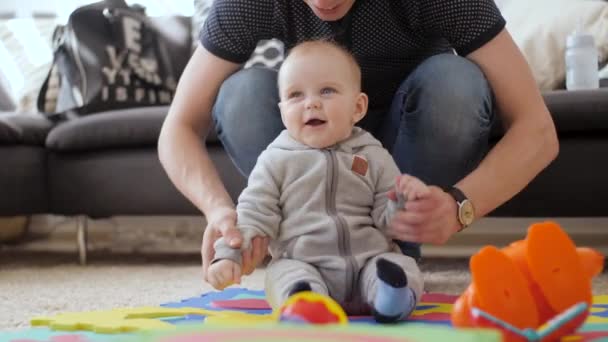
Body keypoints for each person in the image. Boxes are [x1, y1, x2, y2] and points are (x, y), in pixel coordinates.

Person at [158, 0, 559, 281]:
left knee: (456, 84)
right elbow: (178, 128)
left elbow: (537, 131)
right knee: (240, 95)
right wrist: (219, 212)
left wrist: (460, 207)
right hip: (310, 155)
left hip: (410, 150)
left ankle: (396, 249)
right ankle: (307, 250)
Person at [207, 40, 426, 321]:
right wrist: (227, 256)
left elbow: (388, 219)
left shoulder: (372, 154)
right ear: (283, 110)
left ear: (357, 108)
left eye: (327, 91)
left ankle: (391, 296)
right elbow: (253, 213)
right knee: (282, 274)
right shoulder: (275, 160)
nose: (311, 102)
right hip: (304, 264)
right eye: (296, 95)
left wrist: (402, 199)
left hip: (368, 262)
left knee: (399, 264)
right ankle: (305, 303)